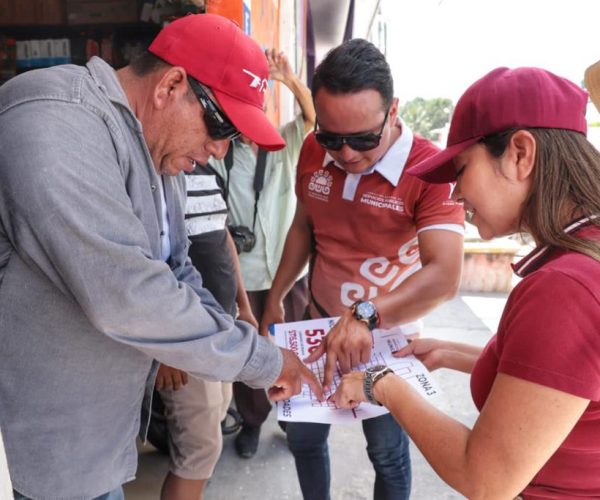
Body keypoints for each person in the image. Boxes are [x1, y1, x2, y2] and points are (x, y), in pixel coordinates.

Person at [0, 14, 322, 500]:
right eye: (221, 126)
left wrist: (242, 337)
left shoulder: (153, 154)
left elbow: (178, 268)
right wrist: (262, 360)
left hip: (94, 448)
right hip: (35, 453)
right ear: (171, 84)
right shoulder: (54, 122)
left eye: (233, 139)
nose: (219, 150)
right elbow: (127, 294)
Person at [333, 66, 600, 499]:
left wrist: (379, 384)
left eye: (461, 170)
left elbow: (485, 478)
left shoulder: (565, 289)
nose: (456, 195)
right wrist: (450, 352)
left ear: (519, 153)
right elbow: (566, 386)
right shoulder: (587, 255)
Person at [261, 39, 464, 500]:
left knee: (387, 452)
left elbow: (444, 274)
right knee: (305, 440)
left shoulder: (430, 171)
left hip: (389, 338)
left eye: (364, 139)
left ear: (394, 111)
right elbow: (303, 226)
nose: (347, 154)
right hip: (315, 322)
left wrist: (366, 315)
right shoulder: (314, 152)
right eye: (333, 138)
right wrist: (277, 293)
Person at [211, 48, 316, 459]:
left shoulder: (285, 143)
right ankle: (252, 423)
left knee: (294, 346)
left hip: (288, 272)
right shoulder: (224, 154)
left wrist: (288, 79)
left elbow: (313, 120)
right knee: (251, 353)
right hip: (248, 274)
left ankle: (293, 418)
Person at [153, 159, 258, 499]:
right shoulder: (156, 177)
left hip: (222, 330)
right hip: (186, 342)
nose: (221, 147)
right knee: (199, 451)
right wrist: (164, 352)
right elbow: (150, 269)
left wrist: (243, 305)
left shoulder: (204, 169)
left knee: (211, 433)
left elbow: (223, 237)